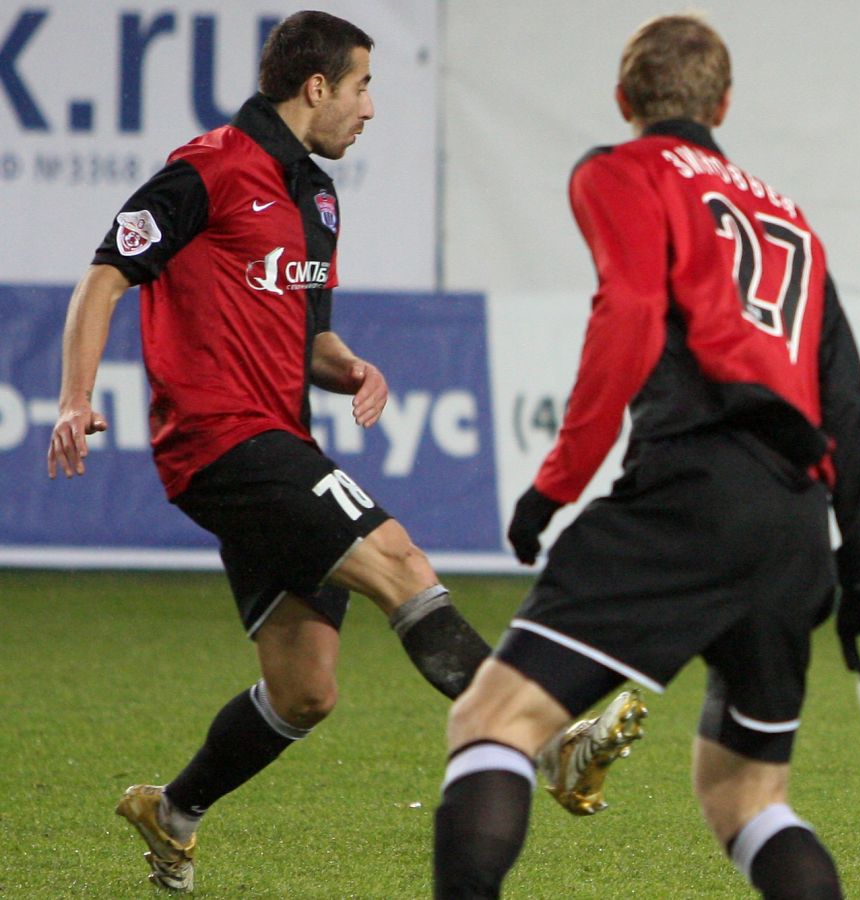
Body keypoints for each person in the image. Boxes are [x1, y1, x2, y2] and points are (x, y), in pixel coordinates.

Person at [45, 11, 636, 893]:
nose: (369, 108)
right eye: (361, 87)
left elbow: (307, 337)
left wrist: (349, 365)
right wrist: (75, 397)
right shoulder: (206, 169)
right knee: (401, 563)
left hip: (278, 438)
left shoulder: (316, 198)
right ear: (315, 86)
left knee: (304, 691)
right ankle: (548, 743)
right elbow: (104, 277)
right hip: (220, 440)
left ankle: (173, 811)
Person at [433, 14, 860, 899]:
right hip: (793, 527)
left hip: (691, 494)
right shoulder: (789, 218)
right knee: (748, 798)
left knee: (493, 721)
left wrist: (554, 486)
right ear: (723, 105)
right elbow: (847, 404)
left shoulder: (620, 170)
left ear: (623, 99)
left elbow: (631, 317)